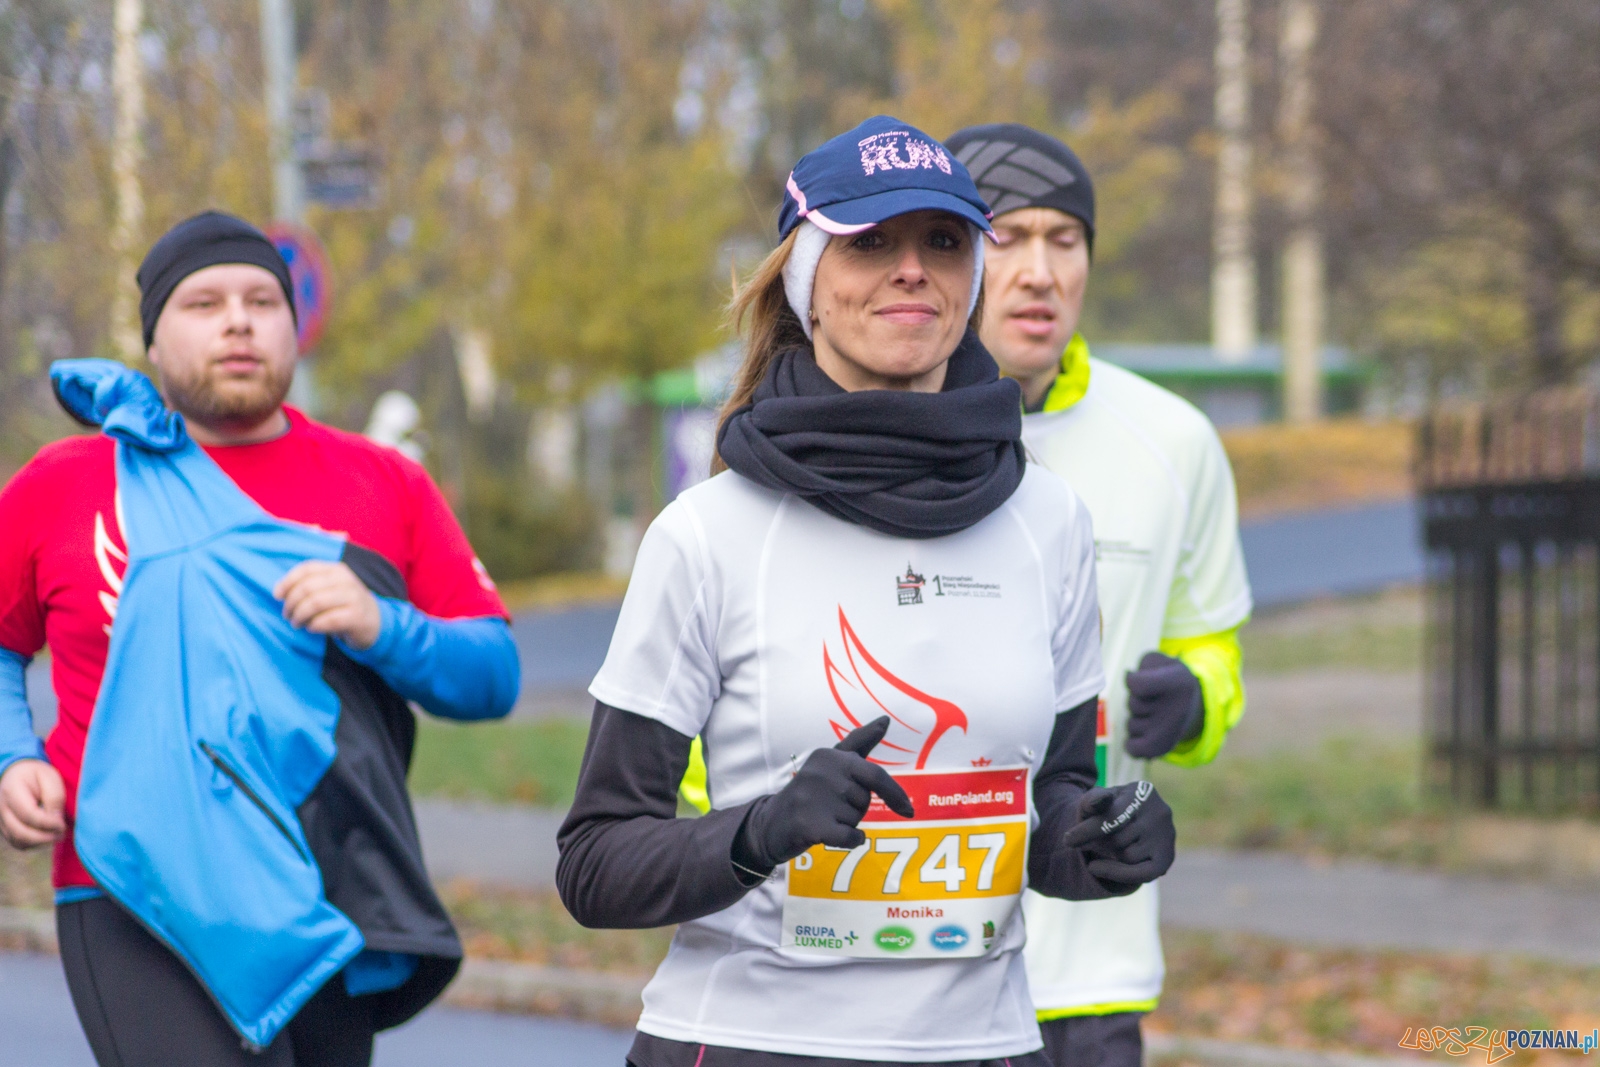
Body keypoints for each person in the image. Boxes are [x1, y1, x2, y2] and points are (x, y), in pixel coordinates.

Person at [556, 115, 1178, 1067]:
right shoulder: (709, 535)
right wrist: (763, 830)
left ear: (973, 274)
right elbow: (595, 863)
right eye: (870, 242)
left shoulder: (1048, 520)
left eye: (943, 240)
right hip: (746, 1040)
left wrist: (1095, 845)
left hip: (987, 1045)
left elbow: (1048, 800)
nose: (911, 269)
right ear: (806, 280)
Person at [0, 211, 521, 1066]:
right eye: (203, 303)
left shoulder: (381, 483)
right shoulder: (65, 484)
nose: (238, 320)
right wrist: (12, 755)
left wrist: (380, 623)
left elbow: (492, 674)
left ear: (294, 325)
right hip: (132, 885)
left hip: (325, 881)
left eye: (261, 299)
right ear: (153, 342)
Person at [945, 123, 1253, 1067]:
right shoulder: (878, 433)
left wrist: (1197, 698)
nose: (1039, 270)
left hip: (1093, 970)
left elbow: (1213, 645)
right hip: (914, 962)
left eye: (1064, 239)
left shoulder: (1173, 441)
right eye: (1007, 236)